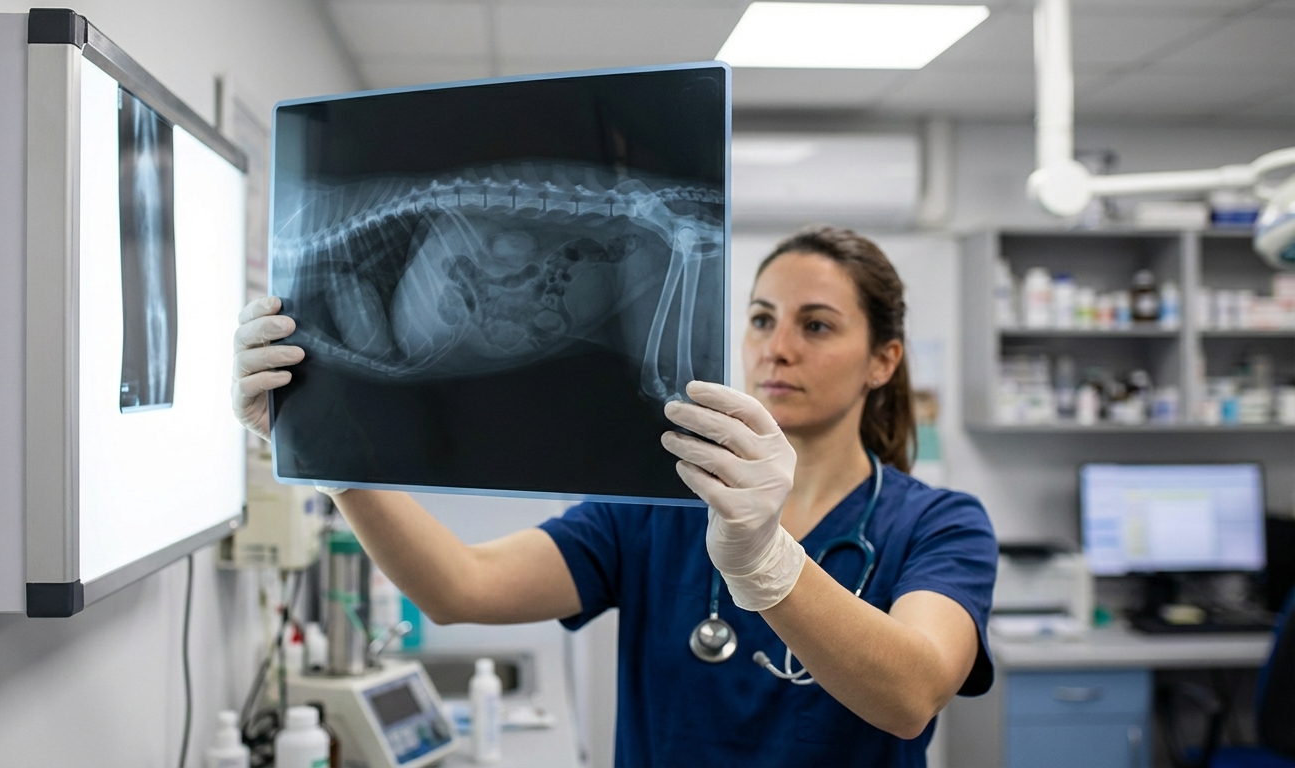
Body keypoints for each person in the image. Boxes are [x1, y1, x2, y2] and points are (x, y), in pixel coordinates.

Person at [232, 225, 998, 767]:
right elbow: (459, 586)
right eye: (762, 318)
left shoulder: (939, 526)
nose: (777, 347)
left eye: (817, 325)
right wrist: (330, 458)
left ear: (882, 360)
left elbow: (911, 694)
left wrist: (764, 559)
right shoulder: (660, 502)